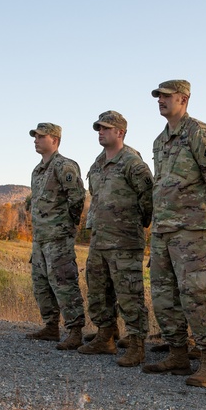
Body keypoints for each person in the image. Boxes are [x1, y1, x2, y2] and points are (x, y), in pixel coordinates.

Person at [143, 79, 206, 387]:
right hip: (164, 229)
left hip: (192, 230)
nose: (160, 101)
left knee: (197, 295)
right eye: (159, 97)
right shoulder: (159, 140)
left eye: (166, 97)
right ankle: (179, 354)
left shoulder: (199, 133)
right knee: (164, 296)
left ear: (183, 99)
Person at [77, 111, 153, 366]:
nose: (100, 131)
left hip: (125, 241)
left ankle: (137, 344)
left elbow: (148, 199)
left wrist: (135, 225)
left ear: (120, 132)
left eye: (106, 128)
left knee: (130, 294)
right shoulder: (97, 164)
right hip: (100, 240)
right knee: (98, 291)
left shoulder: (132, 163)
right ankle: (106, 336)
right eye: (99, 127)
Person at [26, 122, 87, 350]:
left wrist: (67, 225)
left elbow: (77, 197)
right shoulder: (38, 170)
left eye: (41, 136)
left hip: (58, 238)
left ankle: (74, 330)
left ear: (55, 139)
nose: (36, 139)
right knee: (41, 284)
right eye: (35, 136)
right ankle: (51, 326)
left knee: (64, 283)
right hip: (40, 239)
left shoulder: (64, 166)